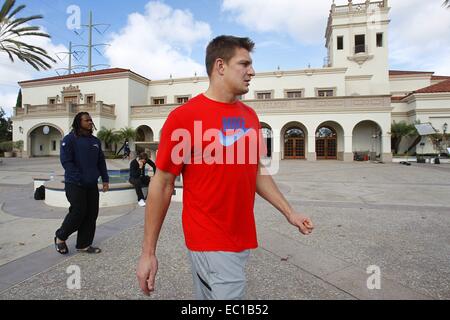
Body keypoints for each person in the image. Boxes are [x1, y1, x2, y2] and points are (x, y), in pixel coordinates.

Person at [136, 35, 314, 299]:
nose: (252, 72)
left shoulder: (249, 116)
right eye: (244, 64)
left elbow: (254, 171)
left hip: (240, 237)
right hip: (209, 238)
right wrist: (148, 253)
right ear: (220, 66)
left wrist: (289, 212)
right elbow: (162, 183)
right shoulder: (184, 118)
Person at [54, 112, 109, 255]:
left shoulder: (95, 141)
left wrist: (105, 179)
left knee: (91, 214)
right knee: (78, 212)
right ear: (79, 122)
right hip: (75, 183)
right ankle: (60, 237)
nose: (90, 122)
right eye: (87, 120)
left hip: (91, 184)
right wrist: (78, 177)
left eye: (91, 120)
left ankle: (84, 244)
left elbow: (100, 162)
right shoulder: (69, 140)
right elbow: (66, 161)